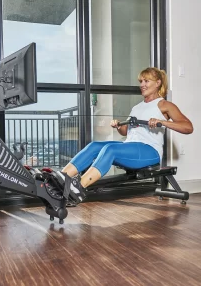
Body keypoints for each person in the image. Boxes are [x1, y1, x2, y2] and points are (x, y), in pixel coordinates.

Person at [54, 67, 193, 204]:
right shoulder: (136, 107)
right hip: (131, 146)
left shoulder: (164, 105)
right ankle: (61, 178)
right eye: (141, 81)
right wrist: (119, 126)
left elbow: (188, 127)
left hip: (150, 151)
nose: (142, 85)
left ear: (157, 83)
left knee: (110, 149)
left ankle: (79, 188)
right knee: (95, 145)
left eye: (146, 81)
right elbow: (127, 132)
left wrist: (162, 122)